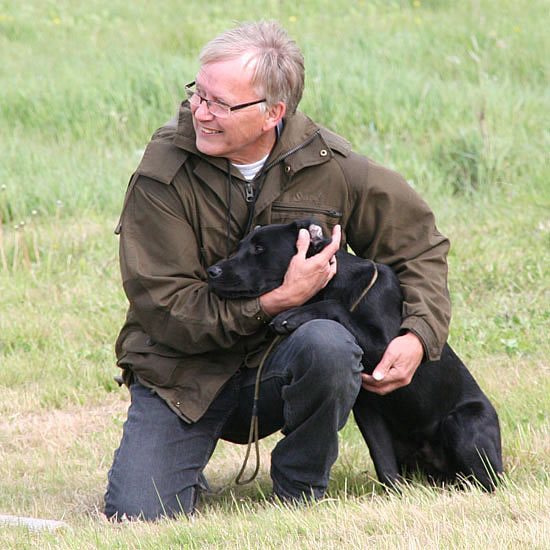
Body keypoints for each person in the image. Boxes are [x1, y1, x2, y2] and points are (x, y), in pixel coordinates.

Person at [104, 20, 451, 521]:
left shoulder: (333, 166)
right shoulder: (164, 174)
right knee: (138, 513)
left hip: (287, 364)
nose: (199, 112)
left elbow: (418, 247)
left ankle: (300, 491)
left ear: (273, 114)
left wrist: (417, 334)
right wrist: (276, 301)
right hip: (183, 372)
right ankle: (183, 463)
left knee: (329, 345)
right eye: (197, 93)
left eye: (220, 103)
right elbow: (165, 309)